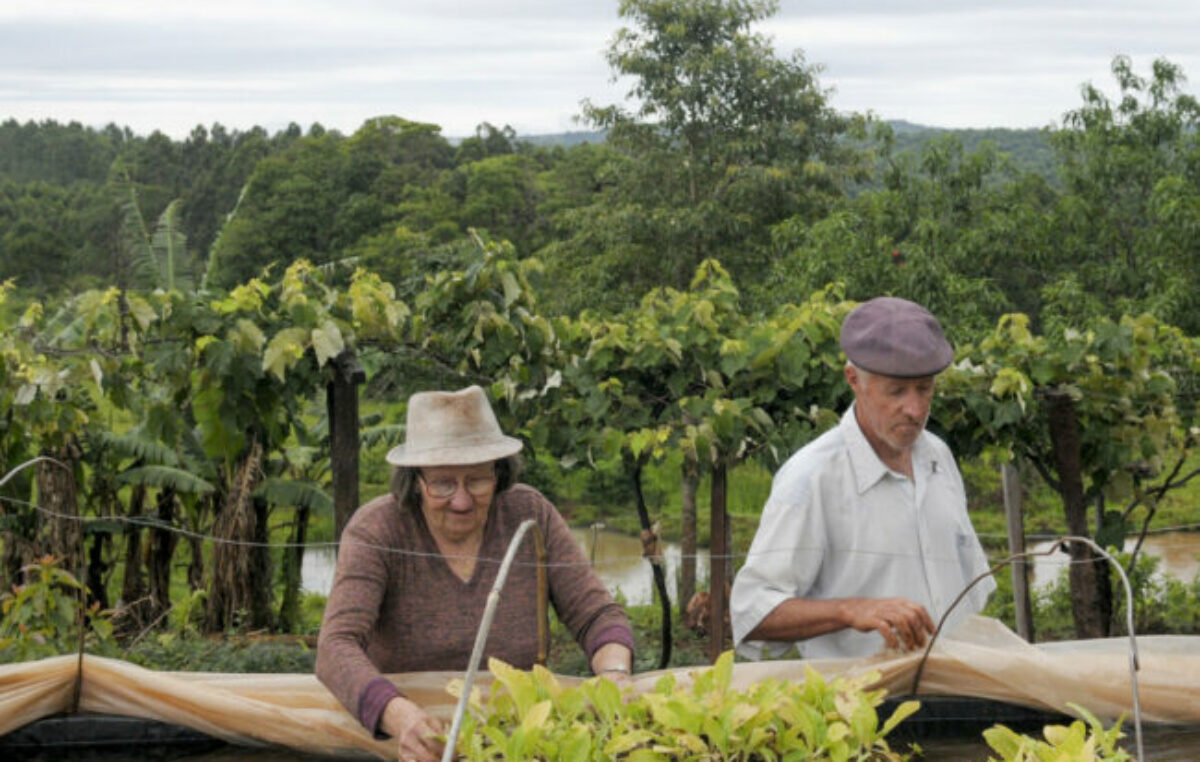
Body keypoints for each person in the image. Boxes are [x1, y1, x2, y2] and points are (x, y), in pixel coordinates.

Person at [317, 385, 634, 762]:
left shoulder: (529, 514)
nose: (462, 500)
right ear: (415, 481)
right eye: (443, 483)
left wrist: (614, 675)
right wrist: (401, 718)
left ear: (499, 474)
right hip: (414, 744)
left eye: (478, 480)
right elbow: (336, 646)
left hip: (520, 741)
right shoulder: (378, 530)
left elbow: (597, 615)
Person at [730, 296, 995, 660]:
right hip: (864, 708)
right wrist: (851, 610)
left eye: (925, 388)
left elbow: (968, 594)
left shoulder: (938, 457)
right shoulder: (811, 479)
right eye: (897, 391)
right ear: (854, 379)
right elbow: (751, 611)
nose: (915, 409)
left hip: (958, 695)